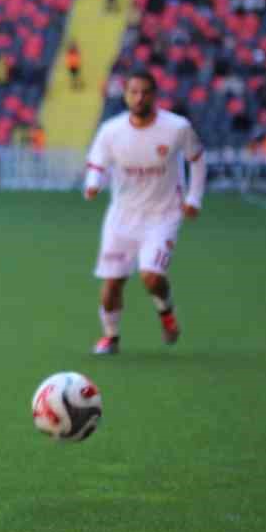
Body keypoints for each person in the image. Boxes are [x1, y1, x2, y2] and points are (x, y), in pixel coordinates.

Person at [84, 69, 206, 355]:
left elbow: (198, 159)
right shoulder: (111, 131)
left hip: (163, 215)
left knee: (151, 276)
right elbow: (97, 165)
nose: (139, 98)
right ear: (126, 95)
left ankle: (166, 313)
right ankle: (110, 337)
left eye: (145, 92)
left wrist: (194, 198)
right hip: (122, 217)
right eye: (133, 92)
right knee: (113, 283)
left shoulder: (176, 128)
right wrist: (93, 184)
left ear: (155, 95)